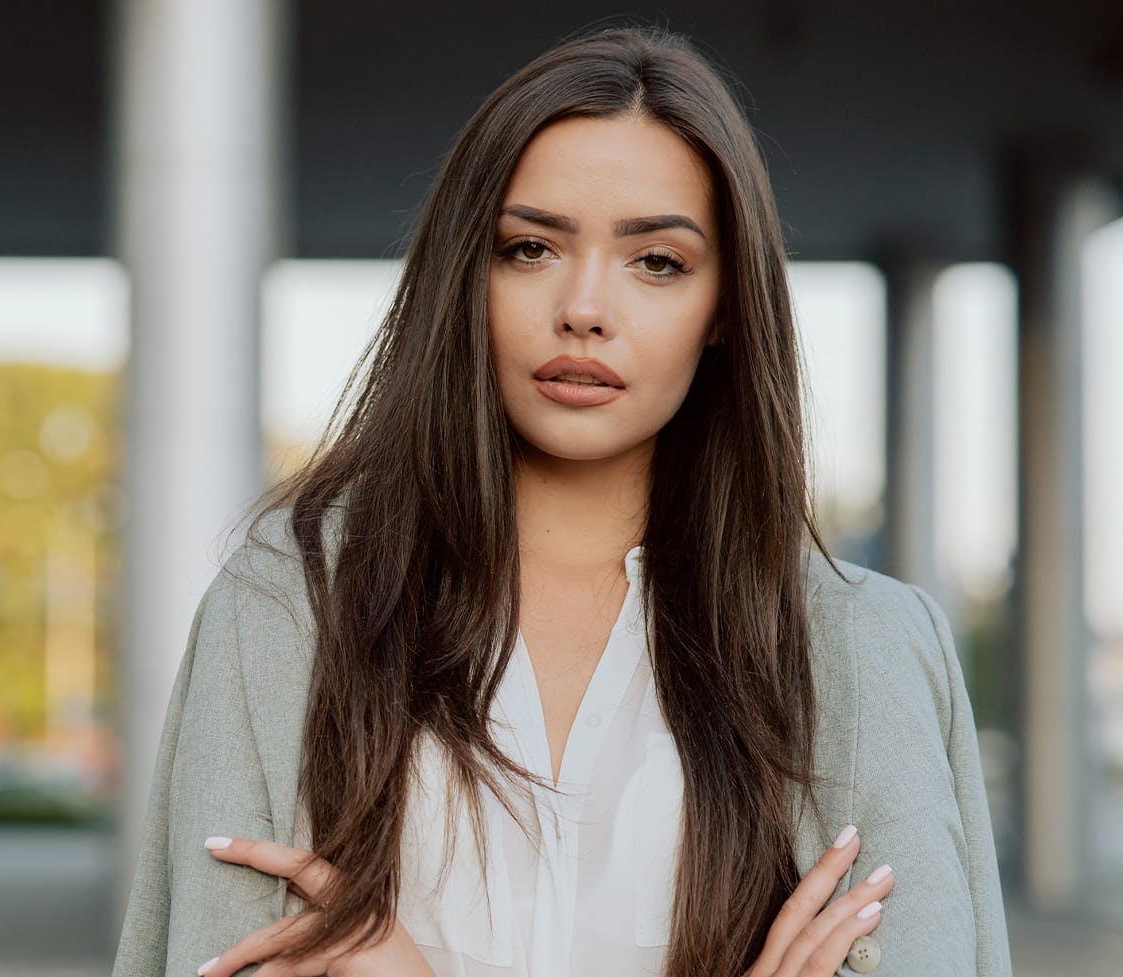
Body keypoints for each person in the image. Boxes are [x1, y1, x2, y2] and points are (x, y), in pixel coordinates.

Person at [111, 22, 1013, 977]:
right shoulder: (286, 611)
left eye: (656, 261)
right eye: (530, 248)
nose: (584, 306)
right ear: (468, 274)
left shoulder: (866, 645)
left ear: (724, 312)